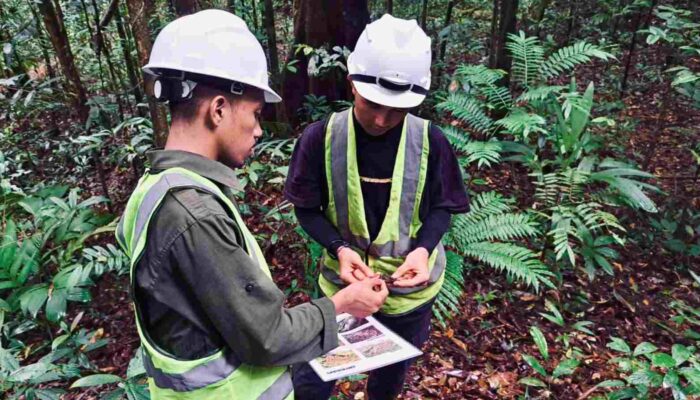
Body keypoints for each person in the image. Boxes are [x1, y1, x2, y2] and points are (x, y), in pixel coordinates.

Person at [115, 10, 388, 400]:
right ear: (219, 109)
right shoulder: (194, 214)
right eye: (257, 114)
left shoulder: (153, 188)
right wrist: (343, 305)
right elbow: (268, 337)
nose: (260, 129)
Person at [285, 14, 470, 399]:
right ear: (352, 84)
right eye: (373, 104)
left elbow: (444, 205)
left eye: (397, 109)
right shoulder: (321, 138)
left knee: (387, 381)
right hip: (342, 289)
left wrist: (422, 250)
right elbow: (306, 208)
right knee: (314, 378)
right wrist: (340, 248)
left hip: (409, 298)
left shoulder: (430, 141)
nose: (383, 119)